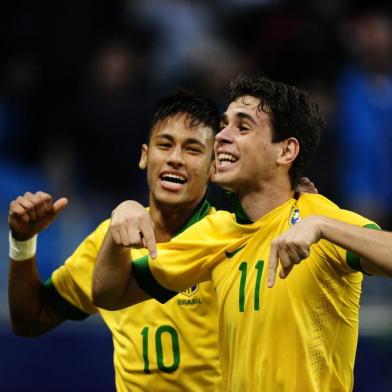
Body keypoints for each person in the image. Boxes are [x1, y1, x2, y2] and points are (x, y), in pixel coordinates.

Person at [92, 76, 389, 392]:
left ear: (286, 151)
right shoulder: (215, 233)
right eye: (223, 125)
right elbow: (110, 294)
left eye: (242, 128)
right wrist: (116, 230)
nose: (220, 137)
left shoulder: (317, 218)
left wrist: (323, 228)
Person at [8, 90, 224, 392]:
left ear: (214, 167)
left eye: (193, 149)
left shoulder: (228, 239)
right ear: (145, 156)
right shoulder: (109, 239)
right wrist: (22, 241)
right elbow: (30, 320)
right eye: (165, 145)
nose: (175, 158)